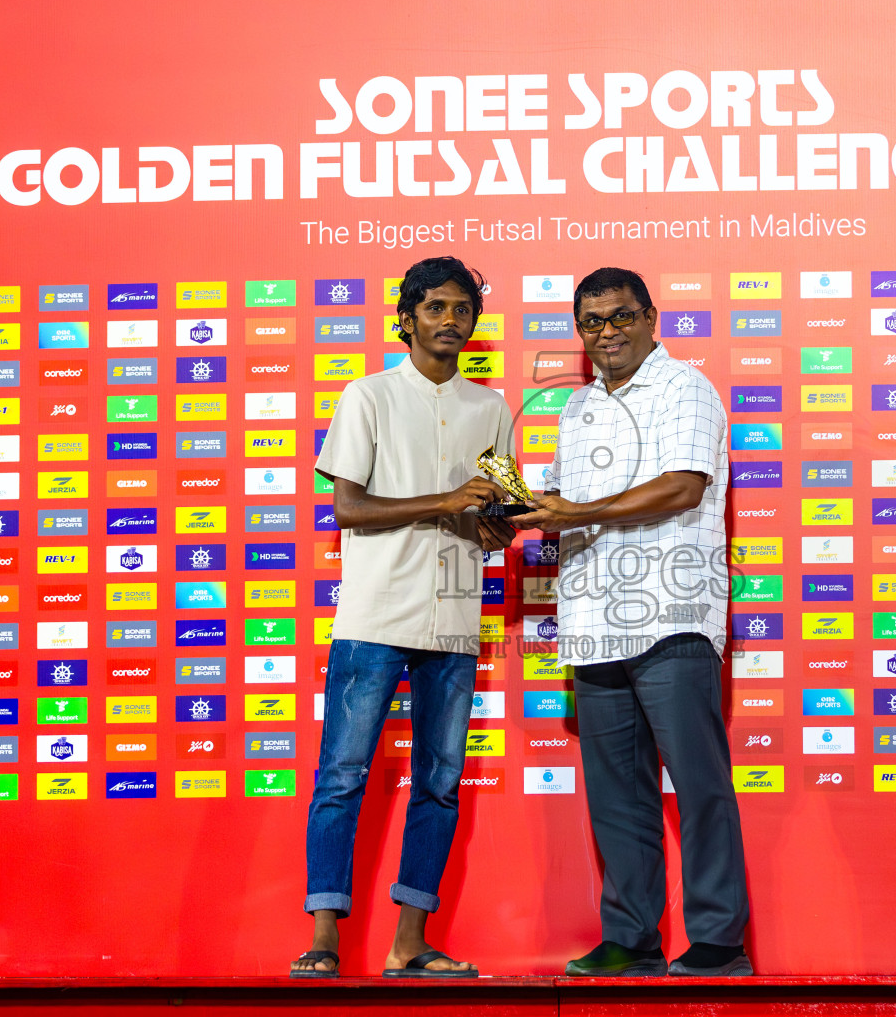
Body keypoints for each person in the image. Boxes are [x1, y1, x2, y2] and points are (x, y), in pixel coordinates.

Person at [511, 267, 752, 977]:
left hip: (672, 615)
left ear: (651, 317)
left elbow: (682, 487)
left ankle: (718, 940)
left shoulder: (686, 388)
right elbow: (559, 500)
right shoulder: (577, 408)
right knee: (617, 795)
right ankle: (632, 938)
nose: (606, 332)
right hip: (591, 619)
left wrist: (570, 514)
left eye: (620, 317)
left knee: (699, 784)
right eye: (592, 322)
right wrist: (509, 514)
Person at [291, 257, 515, 979]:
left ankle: (409, 944)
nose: (451, 320)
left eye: (463, 309)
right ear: (407, 316)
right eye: (437, 307)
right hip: (373, 614)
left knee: (441, 782)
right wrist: (446, 500)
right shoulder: (368, 396)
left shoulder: (493, 408)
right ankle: (323, 938)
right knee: (343, 776)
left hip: (453, 617)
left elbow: (493, 526)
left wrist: (499, 523)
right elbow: (348, 508)